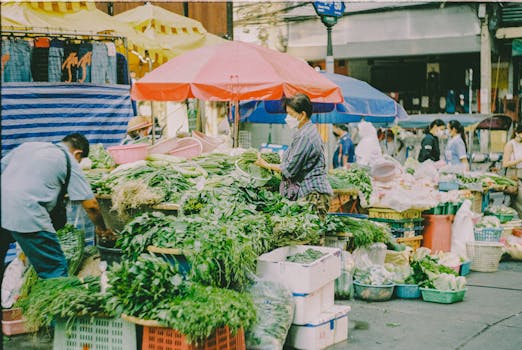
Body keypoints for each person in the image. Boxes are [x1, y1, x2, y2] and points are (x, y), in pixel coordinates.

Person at [1, 133, 114, 278]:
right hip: (27, 211)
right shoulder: (68, 160)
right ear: (78, 154)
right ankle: (57, 297)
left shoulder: (28, 147)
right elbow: (91, 205)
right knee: (55, 269)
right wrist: (102, 229)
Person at [255, 93, 333, 218]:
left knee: (308, 234)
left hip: (313, 196)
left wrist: (266, 165)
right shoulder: (304, 132)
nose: (287, 118)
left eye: (291, 114)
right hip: (311, 193)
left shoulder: (305, 136)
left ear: (302, 115)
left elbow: (289, 169)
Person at [503, 124, 522, 215]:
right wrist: (519, 160)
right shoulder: (510, 144)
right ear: (517, 133)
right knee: (519, 203)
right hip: (514, 175)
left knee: (514, 203)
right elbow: (505, 163)